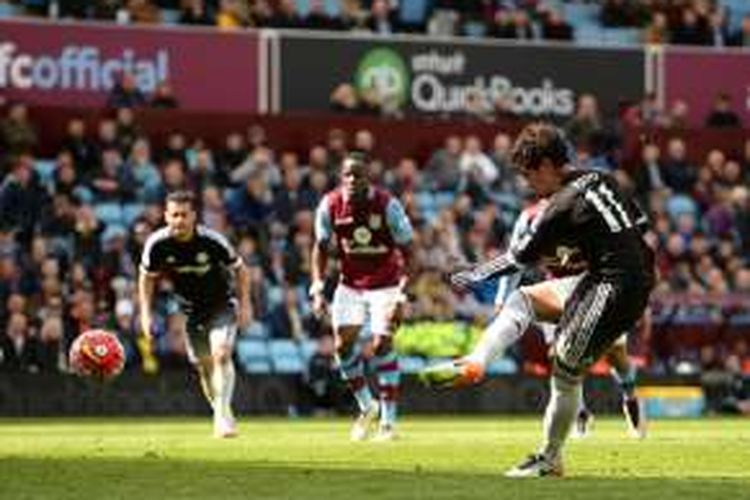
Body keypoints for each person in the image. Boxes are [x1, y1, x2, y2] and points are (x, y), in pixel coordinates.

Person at [431, 123, 654, 477]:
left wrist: (469, 274)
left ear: (549, 165)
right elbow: (640, 226)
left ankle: (551, 458)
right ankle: (476, 362)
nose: (527, 184)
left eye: (530, 175)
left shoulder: (560, 206)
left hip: (616, 286)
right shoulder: (600, 178)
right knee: (522, 300)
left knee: (565, 369)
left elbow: (517, 260)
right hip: (602, 277)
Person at [423, 196, 646, 439]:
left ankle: (630, 395)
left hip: (598, 285)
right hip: (557, 288)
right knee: (558, 353)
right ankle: (579, 413)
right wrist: (500, 301)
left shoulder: (591, 212)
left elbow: (633, 234)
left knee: (616, 356)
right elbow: (514, 261)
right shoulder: (529, 219)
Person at [311, 152, 414, 441]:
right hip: (351, 284)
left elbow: (411, 251)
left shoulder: (387, 205)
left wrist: (404, 296)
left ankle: (388, 423)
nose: (353, 179)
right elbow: (319, 247)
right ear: (341, 177)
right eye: (348, 175)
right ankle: (367, 406)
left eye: (358, 174)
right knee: (343, 346)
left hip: (386, 283)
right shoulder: (330, 205)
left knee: (382, 344)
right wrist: (318, 287)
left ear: (369, 177)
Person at [138, 190, 251, 438]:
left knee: (221, 354)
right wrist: (145, 314)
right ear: (166, 216)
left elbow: (241, 270)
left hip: (222, 305)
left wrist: (246, 305)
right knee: (204, 365)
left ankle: (221, 416)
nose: (179, 220)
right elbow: (147, 278)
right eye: (174, 215)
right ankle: (220, 411)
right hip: (190, 312)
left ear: (194, 216)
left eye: (184, 215)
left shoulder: (212, 241)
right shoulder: (157, 245)